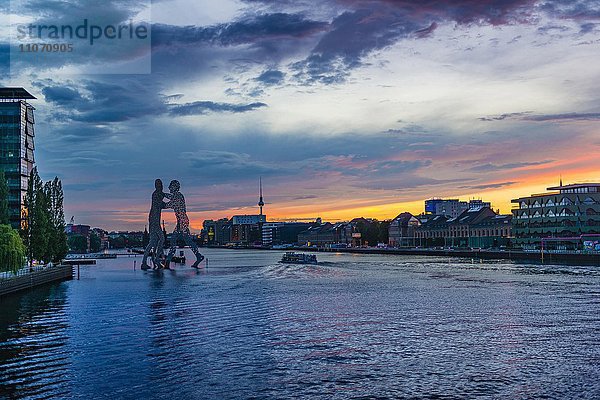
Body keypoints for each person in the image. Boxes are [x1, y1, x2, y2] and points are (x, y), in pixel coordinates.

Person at [164, 180, 205, 268]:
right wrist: (163, 194)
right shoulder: (177, 195)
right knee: (187, 240)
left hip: (182, 221)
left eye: (170, 186)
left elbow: (168, 204)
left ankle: (167, 262)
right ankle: (198, 256)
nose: (169, 188)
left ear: (174, 187)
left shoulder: (178, 196)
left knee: (174, 241)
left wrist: (160, 202)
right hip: (182, 221)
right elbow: (171, 197)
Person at [141, 179, 167, 270]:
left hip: (154, 220)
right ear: (156, 186)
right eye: (159, 184)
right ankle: (155, 260)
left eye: (161, 184)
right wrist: (174, 204)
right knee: (161, 239)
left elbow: (167, 197)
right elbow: (162, 204)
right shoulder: (156, 194)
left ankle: (147, 261)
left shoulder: (160, 194)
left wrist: (175, 198)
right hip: (154, 221)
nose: (161, 186)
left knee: (153, 242)